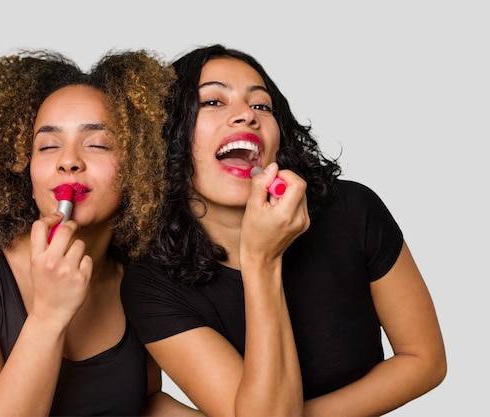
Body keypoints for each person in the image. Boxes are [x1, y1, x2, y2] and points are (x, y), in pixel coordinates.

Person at [120, 44, 447, 416]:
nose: (246, 115)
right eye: (213, 102)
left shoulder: (352, 209)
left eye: (261, 106)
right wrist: (261, 260)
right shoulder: (150, 284)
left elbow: (425, 360)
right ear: (168, 136)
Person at [0, 48, 202, 416]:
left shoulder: (138, 283)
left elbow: (141, 405)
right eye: (48, 146)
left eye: (97, 144)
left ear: (140, 166)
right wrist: (48, 316)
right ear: (25, 172)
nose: (68, 160)